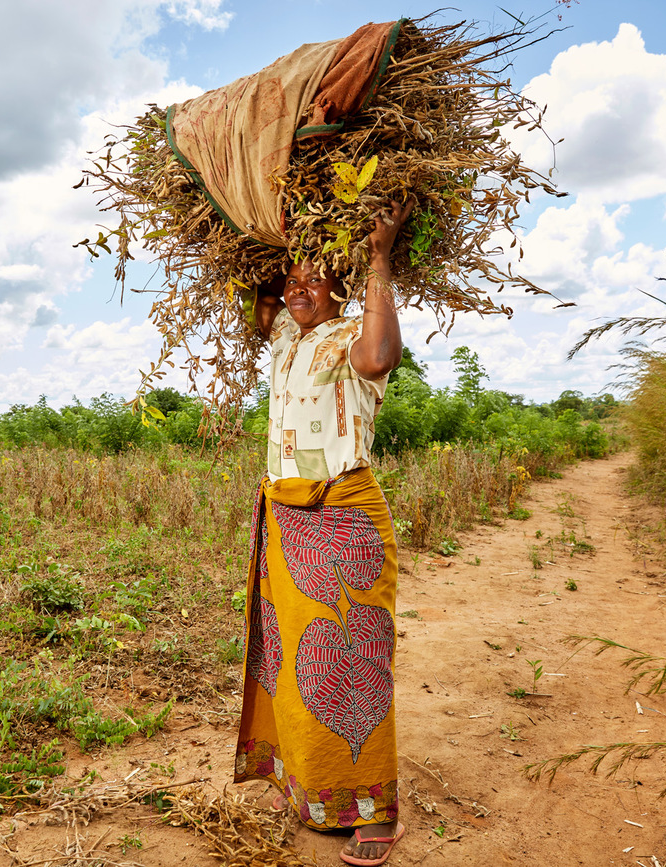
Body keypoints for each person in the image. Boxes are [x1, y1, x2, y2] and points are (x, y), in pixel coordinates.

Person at [236, 199, 414, 867]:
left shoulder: (351, 335)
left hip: (342, 516)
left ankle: (378, 812)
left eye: (314, 279)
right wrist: (276, 225)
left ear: (340, 284)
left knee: (353, 666)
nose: (298, 290)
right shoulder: (286, 333)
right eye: (293, 280)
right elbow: (260, 299)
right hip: (286, 518)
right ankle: (313, 789)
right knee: (294, 666)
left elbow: (380, 354)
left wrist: (376, 254)